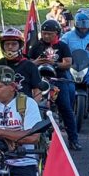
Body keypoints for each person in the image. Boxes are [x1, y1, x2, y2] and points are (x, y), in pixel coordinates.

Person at [28, 18, 80, 150]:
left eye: (50, 34)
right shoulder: (36, 46)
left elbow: (68, 62)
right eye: (44, 33)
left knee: (66, 108)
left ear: (57, 33)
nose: (46, 36)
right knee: (32, 107)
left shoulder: (62, 46)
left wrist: (54, 63)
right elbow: (27, 63)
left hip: (58, 80)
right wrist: (36, 63)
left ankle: (73, 139)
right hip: (39, 82)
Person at [0, 27, 46, 100]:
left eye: (14, 44)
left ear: (20, 45)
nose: (10, 47)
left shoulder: (30, 66)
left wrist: (32, 108)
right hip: (2, 106)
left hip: (24, 106)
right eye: (7, 44)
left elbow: (37, 91)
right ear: (2, 46)